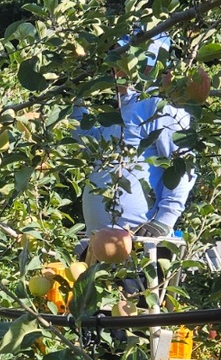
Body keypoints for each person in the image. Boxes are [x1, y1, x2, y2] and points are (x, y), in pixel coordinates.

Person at [76, 37, 197, 242]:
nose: (113, 63)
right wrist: (74, 97)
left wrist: (164, 221)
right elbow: (86, 140)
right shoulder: (121, 110)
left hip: (141, 240)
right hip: (102, 241)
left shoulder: (159, 107)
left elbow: (183, 164)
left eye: (122, 54)